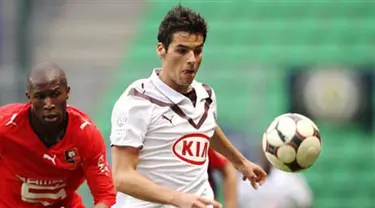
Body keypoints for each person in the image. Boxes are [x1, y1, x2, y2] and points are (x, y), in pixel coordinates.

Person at [110, 5, 267, 208]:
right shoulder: (137, 101)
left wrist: (240, 162)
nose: (191, 59)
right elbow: (122, 177)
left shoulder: (206, 95)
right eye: (182, 50)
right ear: (161, 50)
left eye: (198, 51)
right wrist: (178, 198)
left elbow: (206, 127)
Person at [0, 62, 116, 207]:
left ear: (67, 93)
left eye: (55, 95)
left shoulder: (85, 134)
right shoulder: (5, 125)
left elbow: (104, 196)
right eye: (40, 97)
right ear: (28, 97)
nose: (49, 104)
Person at [237, 146, 313, 208]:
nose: (266, 156)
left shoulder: (288, 176)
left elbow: (305, 201)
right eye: (264, 151)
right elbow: (235, 201)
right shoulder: (248, 176)